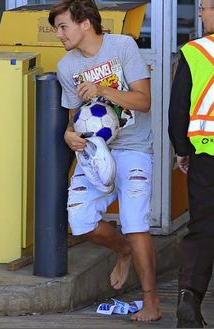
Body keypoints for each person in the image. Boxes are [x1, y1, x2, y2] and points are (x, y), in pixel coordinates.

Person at [49, 0, 161, 321]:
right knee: (81, 222)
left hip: (134, 146)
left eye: (63, 26)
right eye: (57, 28)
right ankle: (122, 250)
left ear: (85, 23)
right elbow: (76, 119)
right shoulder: (66, 66)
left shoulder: (122, 46)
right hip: (95, 151)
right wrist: (69, 136)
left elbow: (144, 100)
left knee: (136, 221)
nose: (59, 34)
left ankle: (151, 301)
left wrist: (103, 90)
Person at [168, 1, 214, 327]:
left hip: (205, 155)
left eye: (206, 7)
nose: (200, 13)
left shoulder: (194, 51)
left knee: (203, 227)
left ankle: (189, 296)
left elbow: (178, 108)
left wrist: (181, 149)